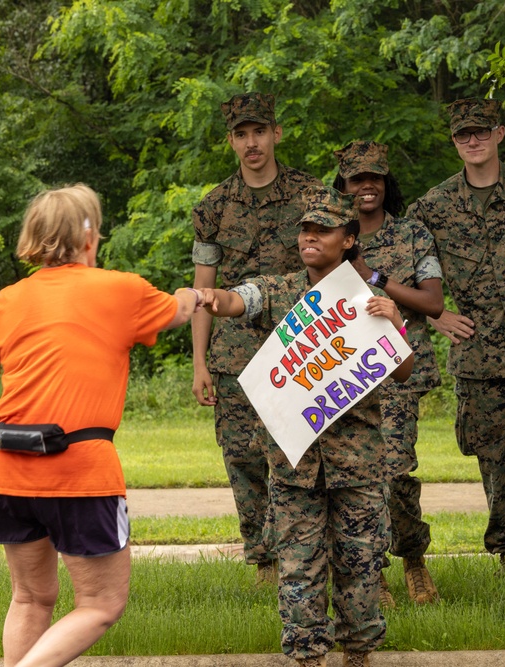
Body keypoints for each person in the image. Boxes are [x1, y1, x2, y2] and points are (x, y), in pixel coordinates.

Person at [0, 184, 200, 667]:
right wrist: (195, 291)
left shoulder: (7, 299)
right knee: (100, 604)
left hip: (7, 465)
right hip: (78, 469)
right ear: (89, 236)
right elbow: (179, 310)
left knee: (31, 598)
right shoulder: (121, 289)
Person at [200, 186, 413, 667]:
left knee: (360, 565)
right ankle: (308, 658)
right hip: (293, 464)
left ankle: (359, 654)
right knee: (299, 568)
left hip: (357, 463)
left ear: (349, 241)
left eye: (324, 230)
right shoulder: (279, 291)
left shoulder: (368, 299)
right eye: (305, 229)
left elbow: (402, 370)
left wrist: (396, 322)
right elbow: (241, 300)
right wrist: (215, 298)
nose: (310, 237)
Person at [406, 97, 505, 569]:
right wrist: (435, 315)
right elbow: (400, 265)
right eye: (461, 135)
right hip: (477, 347)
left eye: (480, 131)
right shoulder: (432, 206)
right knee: (493, 454)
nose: (471, 141)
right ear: (453, 142)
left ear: (499, 134)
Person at [191, 92, 321, 583]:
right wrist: (200, 362)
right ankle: (265, 561)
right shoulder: (213, 207)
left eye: (260, 132)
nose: (252, 143)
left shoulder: (311, 194)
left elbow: (333, 268)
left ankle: (305, 557)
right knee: (244, 459)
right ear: (231, 141)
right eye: (242, 135)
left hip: (304, 347)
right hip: (237, 357)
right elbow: (204, 290)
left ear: (276, 134)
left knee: (301, 455)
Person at [332, 141, 445, 606]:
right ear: (343, 187)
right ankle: (373, 572)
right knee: (357, 479)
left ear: (385, 183)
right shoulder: (330, 236)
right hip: (343, 378)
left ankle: (413, 560)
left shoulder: (413, 235)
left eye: (374, 178)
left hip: (398, 373)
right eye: (357, 179)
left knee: (396, 473)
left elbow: (433, 302)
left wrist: (372, 276)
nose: (366, 187)